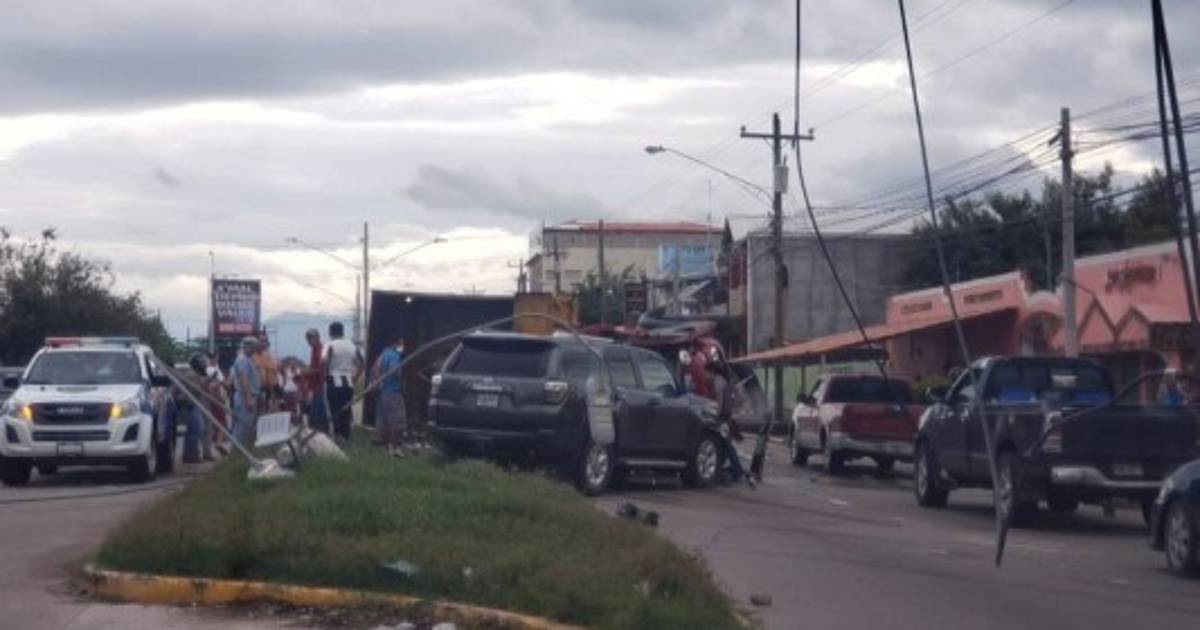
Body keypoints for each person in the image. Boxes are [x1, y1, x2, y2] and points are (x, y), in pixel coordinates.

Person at [708, 360, 753, 488]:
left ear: (712, 371)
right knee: (724, 442)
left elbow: (720, 399)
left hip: (723, 417)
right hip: (727, 416)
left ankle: (737, 469)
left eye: (707, 372)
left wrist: (717, 414)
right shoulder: (724, 381)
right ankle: (728, 468)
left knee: (726, 444)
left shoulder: (718, 381)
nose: (707, 375)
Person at [165, 353, 213, 463]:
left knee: (195, 428)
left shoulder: (194, 374)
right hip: (188, 405)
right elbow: (195, 390)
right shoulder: (192, 375)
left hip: (189, 404)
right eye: (203, 363)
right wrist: (207, 381)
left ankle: (191, 454)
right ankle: (190, 455)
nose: (205, 365)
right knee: (197, 428)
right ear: (198, 364)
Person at [323, 321, 363, 441]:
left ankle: (337, 435)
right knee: (346, 410)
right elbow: (361, 364)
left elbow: (324, 362)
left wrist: (324, 376)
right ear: (342, 332)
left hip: (333, 380)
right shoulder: (352, 346)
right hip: (348, 382)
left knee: (334, 410)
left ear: (330, 332)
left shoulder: (329, 345)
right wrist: (355, 378)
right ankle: (346, 436)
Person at [372, 337, 407, 451]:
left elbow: (374, 371)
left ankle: (380, 442)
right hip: (392, 390)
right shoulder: (394, 356)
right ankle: (394, 445)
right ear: (396, 343)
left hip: (381, 390)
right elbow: (396, 372)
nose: (403, 346)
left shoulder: (383, 354)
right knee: (398, 419)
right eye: (401, 343)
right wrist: (402, 385)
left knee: (383, 418)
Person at [230, 336, 262, 446]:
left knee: (246, 428)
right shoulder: (242, 359)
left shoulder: (247, 359)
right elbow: (244, 379)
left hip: (248, 396)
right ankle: (236, 451)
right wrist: (248, 398)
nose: (255, 350)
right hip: (244, 397)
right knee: (242, 428)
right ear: (248, 346)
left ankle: (239, 450)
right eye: (254, 347)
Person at [303, 328, 330, 433]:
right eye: (308, 339)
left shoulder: (320, 350)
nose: (309, 341)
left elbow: (320, 369)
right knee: (313, 411)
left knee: (319, 410)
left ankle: (320, 431)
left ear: (318, 338)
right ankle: (315, 430)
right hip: (314, 386)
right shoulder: (314, 350)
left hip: (320, 385)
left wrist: (307, 372)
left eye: (311, 338)